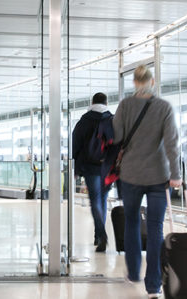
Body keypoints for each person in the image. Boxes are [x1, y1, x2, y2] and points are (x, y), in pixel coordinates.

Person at [113, 66, 180, 299]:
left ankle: (133, 274)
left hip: (131, 175)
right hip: (158, 176)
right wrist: (176, 174)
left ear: (133, 82)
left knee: (131, 223)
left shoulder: (124, 106)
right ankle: (153, 286)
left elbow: (118, 137)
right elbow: (172, 143)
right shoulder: (164, 107)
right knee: (155, 228)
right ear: (152, 81)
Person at [71, 92, 113, 252]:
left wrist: (74, 168)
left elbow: (75, 144)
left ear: (92, 102)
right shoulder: (112, 119)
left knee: (95, 200)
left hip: (90, 167)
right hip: (107, 168)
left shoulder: (84, 121)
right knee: (102, 199)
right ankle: (98, 234)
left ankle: (101, 235)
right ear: (106, 102)